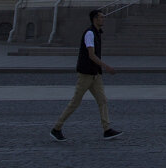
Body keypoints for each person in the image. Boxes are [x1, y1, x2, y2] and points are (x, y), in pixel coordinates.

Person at [50, 10, 122, 141]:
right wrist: (107, 67)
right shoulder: (90, 33)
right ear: (95, 19)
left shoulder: (97, 33)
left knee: (103, 100)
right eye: (101, 17)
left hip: (95, 74)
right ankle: (56, 128)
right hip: (86, 74)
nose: (103, 19)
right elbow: (91, 55)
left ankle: (107, 129)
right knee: (75, 102)